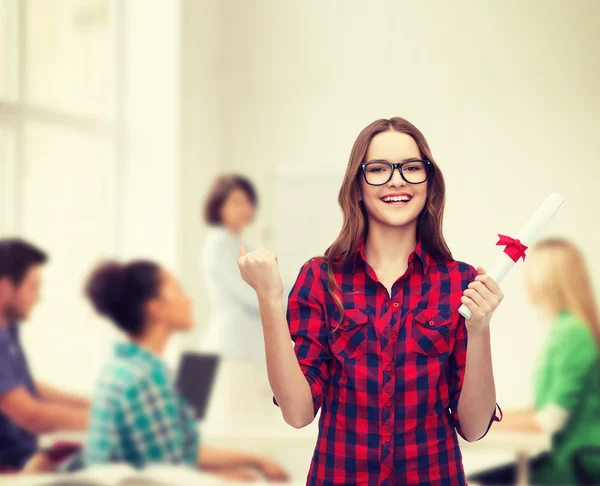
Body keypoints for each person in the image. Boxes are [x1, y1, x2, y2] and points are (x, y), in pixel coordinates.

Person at [238, 117, 503, 485]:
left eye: (412, 168)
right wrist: (269, 298)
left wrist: (479, 328)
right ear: (357, 187)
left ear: (430, 184)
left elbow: (474, 428)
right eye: (378, 169)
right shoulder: (320, 278)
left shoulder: (459, 281)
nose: (397, 180)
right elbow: (297, 413)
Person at [82, 259, 289, 482]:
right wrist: (231, 477)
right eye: (178, 290)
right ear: (156, 308)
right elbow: (167, 474)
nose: (189, 298)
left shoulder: (125, 367)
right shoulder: (145, 379)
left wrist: (255, 460)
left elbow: (181, 453)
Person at [471, 238, 600, 485]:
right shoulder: (565, 329)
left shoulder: (572, 333)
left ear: (549, 281)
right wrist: (484, 419)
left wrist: (480, 425)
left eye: (531, 274)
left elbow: (549, 420)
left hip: (574, 464)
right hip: (564, 459)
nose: (526, 283)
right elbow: (544, 408)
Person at [0, 238, 90, 472]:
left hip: (27, 458)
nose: (38, 297)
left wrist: (93, 403)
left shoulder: (8, 330)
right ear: (5, 288)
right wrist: (108, 420)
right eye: (33, 287)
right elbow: (30, 415)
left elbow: (25, 387)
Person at [199, 174, 264, 364]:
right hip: (231, 344)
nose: (245, 208)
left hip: (245, 342)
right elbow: (249, 294)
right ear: (219, 207)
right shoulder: (219, 243)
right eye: (236, 203)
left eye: (248, 202)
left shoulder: (240, 245)